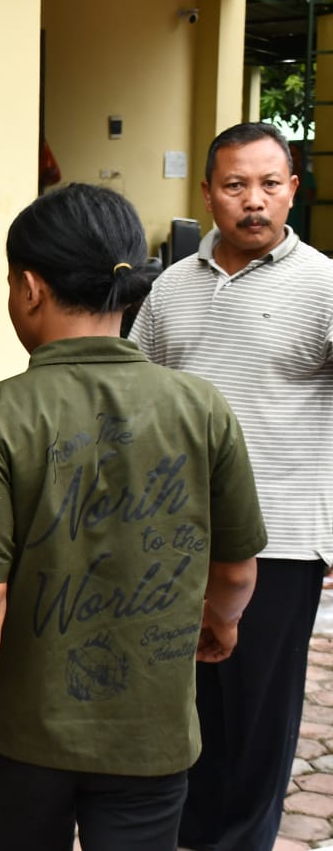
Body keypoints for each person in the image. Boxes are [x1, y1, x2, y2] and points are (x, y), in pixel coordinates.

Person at [0, 184, 266, 851]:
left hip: (25, 735)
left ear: (29, 288)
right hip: (151, 735)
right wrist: (221, 621)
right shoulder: (201, 407)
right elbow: (236, 570)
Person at [129, 121, 333, 851]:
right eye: (236, 185)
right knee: (186, 705)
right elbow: (137, 396)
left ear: (292, 190)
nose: (254, 200)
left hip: (281, 539)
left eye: (270, 184)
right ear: (208, 193)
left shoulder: (324, 285)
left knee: (256, 716)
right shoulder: (170, 288)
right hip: (175, 537)